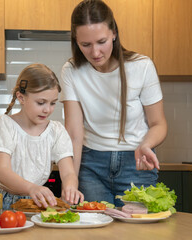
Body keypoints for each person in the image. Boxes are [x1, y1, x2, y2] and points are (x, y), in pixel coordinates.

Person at [60, 0, 167, 207]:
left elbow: (159, 124)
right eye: (86, 45)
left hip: (136, 163)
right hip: (91, 166)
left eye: (102, 41)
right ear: (76, 41)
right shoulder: (71, 70)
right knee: (96, 233)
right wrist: (70, 179)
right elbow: (74, 132)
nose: (95, 52)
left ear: (114, 33)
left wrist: (146, 145)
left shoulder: (141, 67)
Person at [0, 63, 83, 214]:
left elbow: (68, 172)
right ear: (21, 97)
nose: (47, 110)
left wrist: (71, 186)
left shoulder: (56, 131)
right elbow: (3, 171)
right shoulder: (4, 124)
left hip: (32, 201)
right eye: (41, 102)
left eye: (52, 103)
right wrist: (31, 187)